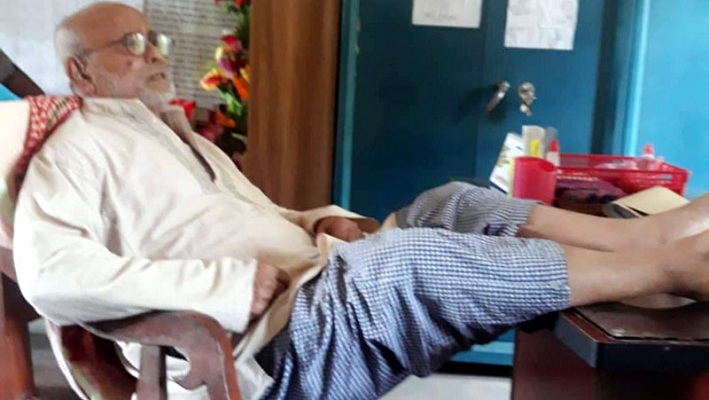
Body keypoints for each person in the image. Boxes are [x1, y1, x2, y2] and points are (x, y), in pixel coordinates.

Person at [9, 3, 709, 399]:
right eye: (132, 44)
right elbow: (51, 275)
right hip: (271, 344)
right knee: (412, 261)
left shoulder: (170, 132)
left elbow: (251, 218)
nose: (156, 53)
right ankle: (669, 268)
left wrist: (320, 219)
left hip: (315, 280)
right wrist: (219, 286)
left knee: (452, 202)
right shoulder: (73, 145)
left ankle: (641, 239)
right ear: (80, 72)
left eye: (154, 38)